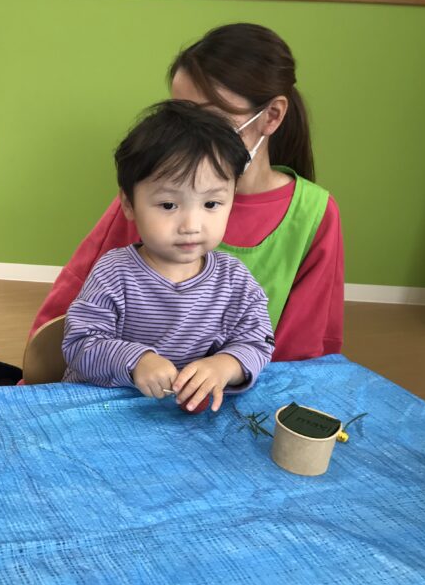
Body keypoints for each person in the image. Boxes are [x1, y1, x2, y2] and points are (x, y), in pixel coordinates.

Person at [34, 23, 343, 362]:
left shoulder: (313, 213)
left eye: (211, 119)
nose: (191, 224)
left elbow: (300, 350)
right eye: (180, 116)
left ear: (271, 116)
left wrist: (229, 368)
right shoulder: (151, 196)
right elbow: (68, 317)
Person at [63, 100, 274, 412]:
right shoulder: (114, 273)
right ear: (129, 205)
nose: (191, 226)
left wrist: (225, 365)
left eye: (211, 204)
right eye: (168, 205)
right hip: (105, 408)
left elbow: (257, 342)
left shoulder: (234, 280)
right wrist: (137, 361)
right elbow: (79, 344)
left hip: (178, 417)